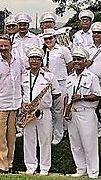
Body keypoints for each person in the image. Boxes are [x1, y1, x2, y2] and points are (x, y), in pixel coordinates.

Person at [0, 35, 23, 173]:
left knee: (11, 137)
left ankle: (10, 164)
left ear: (11, 45)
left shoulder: (18, 61)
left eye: (5, 45)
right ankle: (3, 166)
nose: (3, 48)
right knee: (0, 138)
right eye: (0, 46)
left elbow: (23, 80)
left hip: (14, 104)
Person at [21, 47, 61, 175]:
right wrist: (24, 104)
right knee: (29, 140)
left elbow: (56, 93)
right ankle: (31, 166)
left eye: (37, 59)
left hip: (44, 112)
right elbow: (20, 93)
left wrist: (44, 102)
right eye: (32, 59)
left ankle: (44, 167)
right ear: (28, 60)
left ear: (41, 60)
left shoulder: (49, 76)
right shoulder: (23, 76)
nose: (34, 61)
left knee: (45, 140)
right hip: (28, 112)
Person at [64, 46, 101, 179]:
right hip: (73, 113)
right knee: (75, 144)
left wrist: (82, 97)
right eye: (74, 59)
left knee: (89, 144)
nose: (76, 62)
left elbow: (98, 96)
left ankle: (93, 172)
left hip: (86, 112)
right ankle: (80, 169)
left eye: (79, 59)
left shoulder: (92, 77)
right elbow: (66, 96)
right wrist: (66, 111)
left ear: (85, 61)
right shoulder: (70, 78)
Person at [40, 28, 72, 145]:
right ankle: (50, 132)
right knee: (49, 108)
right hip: (47, 83)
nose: (48, 41)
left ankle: (59, 134)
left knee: (58, 110)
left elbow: (70, 65)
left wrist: (63, 77)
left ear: (55, 38)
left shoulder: (63, 50)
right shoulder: (43, 51)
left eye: (50, 38)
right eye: (46, 39)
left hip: (60, 82)